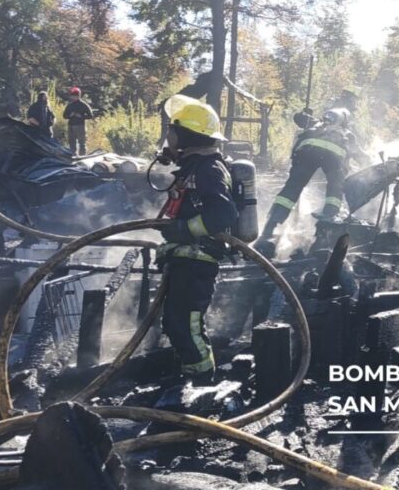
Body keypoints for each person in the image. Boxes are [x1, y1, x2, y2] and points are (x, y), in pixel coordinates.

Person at [155, 95, 237, 385]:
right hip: (185, 258)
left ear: (187, 134)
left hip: (197, 261)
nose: (169, 135)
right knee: (174, 324)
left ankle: (203, 382)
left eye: (173, 130)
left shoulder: (209, 169)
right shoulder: (195, 166)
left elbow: (223, 214)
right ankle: (190, 377)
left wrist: (182, 230)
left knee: (186, 325)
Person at [254, 90, 365, 254]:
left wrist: (304, 113)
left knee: (289, 192)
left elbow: (297, 118)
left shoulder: (315, 123)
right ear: (345, 121)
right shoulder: (347, 133)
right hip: (332, 160)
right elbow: (360, 156)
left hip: (306, 153)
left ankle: (268, 232)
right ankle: (325, 229)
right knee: (335, 190)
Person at [62, 87, 94, 155]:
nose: (73, 97)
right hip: (71, 125)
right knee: (71, 142)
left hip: (80, 125)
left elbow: (90, 115)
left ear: (78, 96)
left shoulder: (83, 105)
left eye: (75, 96)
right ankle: (73, 156)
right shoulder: (69, 105)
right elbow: (64, 116)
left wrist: (81, 116)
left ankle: (83, 156)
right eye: (72, 96)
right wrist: (70, 115)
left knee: (82, 143)